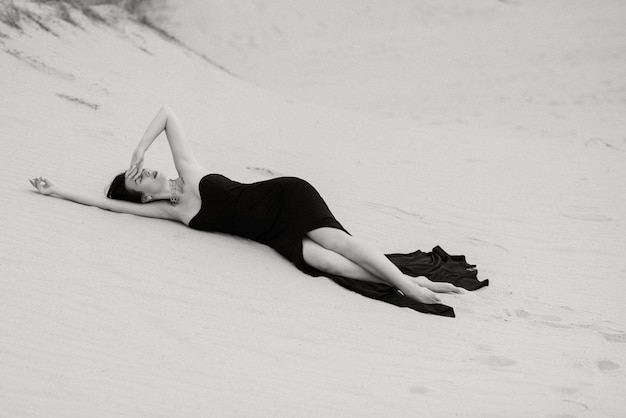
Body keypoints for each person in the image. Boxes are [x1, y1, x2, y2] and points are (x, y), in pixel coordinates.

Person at [30, 106, 464, 307]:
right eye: (137, 179)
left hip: (287, 197)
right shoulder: (170, 210)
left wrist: (138, 149)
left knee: (340, 245)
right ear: (143, 196)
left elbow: (166, 114)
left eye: (140, 170)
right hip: (273, 235)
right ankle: (414, 277)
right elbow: (110, 208)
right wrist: (57, 192)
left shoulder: (190, 170)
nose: (144, 173)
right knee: (329, 265)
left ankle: (410, 286)